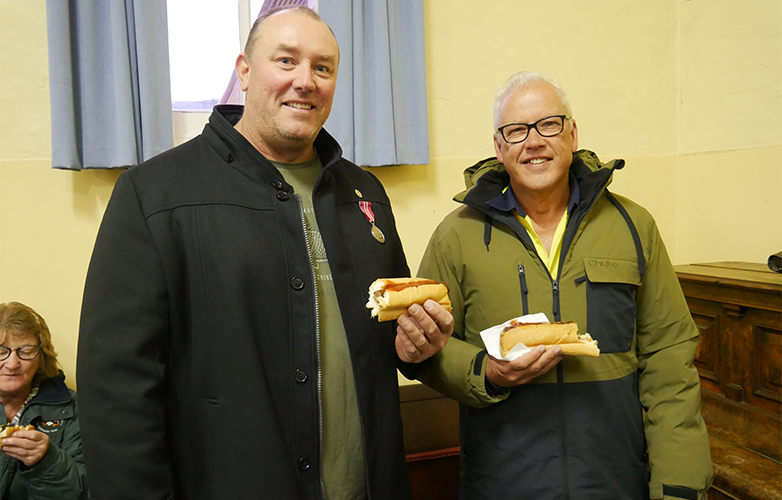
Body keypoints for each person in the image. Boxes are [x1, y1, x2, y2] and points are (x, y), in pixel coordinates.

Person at [77, 6, 452, 500]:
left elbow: (393, 332)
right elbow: (116, 393)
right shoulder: (154, 195)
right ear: (245, 72)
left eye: (323, 67)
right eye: (286, 61)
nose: (306, 81)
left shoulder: (364, 193)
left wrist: (416, 344)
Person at [416, 71, 714, 500]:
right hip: (501, 484)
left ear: (572, 135)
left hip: (614, 482)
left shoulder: (633, 226)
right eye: (516, 131)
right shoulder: (456, 235)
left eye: (549, 124)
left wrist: (680, 486)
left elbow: (670, 362)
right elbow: (426, 350)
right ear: (499, 148)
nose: (533, 142)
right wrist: (489, 371)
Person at [0, 302, 88, 499]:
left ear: (41, 356)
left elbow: (90, 491)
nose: (13, 364)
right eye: (1, 351)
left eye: (26, 350)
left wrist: (47, 461)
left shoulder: (74, 409)